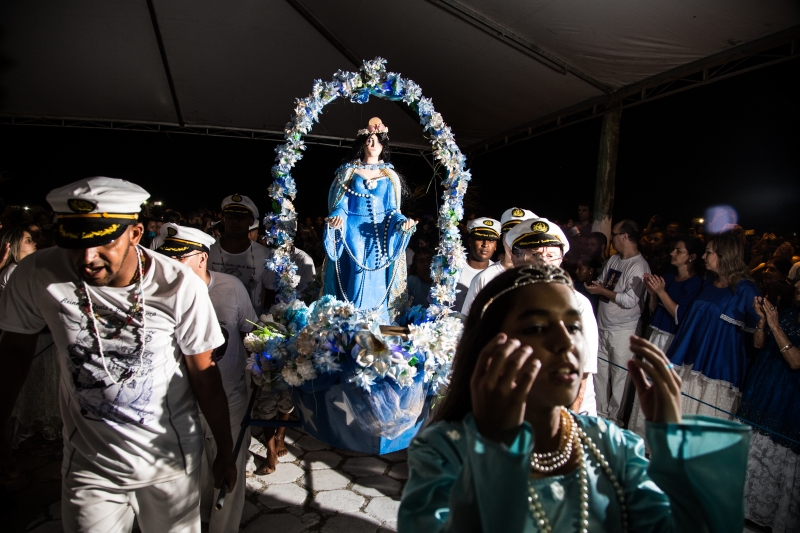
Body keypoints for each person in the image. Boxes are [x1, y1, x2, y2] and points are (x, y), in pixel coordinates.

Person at [398, 263, 751, 533]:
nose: (565, 343)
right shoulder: (444, 451)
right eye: (537, 328)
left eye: (574, 325)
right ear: (491, 346)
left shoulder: (612, 446)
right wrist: (498, 448)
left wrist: (674, 446)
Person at [0, 177, 235, 533]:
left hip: (169, 464)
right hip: (89, 465)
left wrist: (224, 448)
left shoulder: (176, 284)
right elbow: (14, 354)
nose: (87, 257)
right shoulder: (36, 275)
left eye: (101, 242)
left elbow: (204, 374)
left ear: (135, 233)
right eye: (73, 243)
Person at [156, 225, 258, 533]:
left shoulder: (232, 287)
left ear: (202, 258)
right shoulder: (160, 292)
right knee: (193, 474)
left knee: (230, 471)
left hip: (231, 397)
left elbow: (250, 332)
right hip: (180, 403)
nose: (170, 267)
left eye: (179, 259)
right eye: (166, 258)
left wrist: (260, 366)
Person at [323, 117, 416, 323]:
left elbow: (392, 209)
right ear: (362, 143)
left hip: (381, 234)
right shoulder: (348, 172)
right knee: (357, 272)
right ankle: (353, 321)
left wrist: (402, 223)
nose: (373, 144)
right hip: (353, 231)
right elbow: (340, 205)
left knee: (378, 273)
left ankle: (377, 321)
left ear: (384, 145)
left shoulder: (389, 175)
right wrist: (337, 218)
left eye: (378, 140)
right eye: (369, 140)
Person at [503, 218, 598, 416]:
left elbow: (583, 371)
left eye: (552, 255)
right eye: (535, 254)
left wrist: (567, 418)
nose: (544, 262)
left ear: (561, 260)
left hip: (567, 408)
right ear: (515, 256)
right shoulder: (505, 299)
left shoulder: (578, 303)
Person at [666, 233, 762, 421]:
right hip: (693, 360)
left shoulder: (745, 289)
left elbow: (758, 340)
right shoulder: (709, 281)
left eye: (708, 252)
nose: (703, 256)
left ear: (724, 255)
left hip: (719, 368)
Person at [628, 236, 704, 440]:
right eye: (673, 250)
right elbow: (654, 310)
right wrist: (653, 294)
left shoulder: (696, 283)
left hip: (671, 341)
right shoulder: (669, 276)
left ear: (692, 257)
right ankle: (640, 435)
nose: (672, 253)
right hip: (656, 334)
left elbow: (680, 316)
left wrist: (661, 293)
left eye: (679, 250)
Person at [737, 289, 800, 532]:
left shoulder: (781, 320)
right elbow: (759, 344)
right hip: (762, 389)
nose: (796, 287)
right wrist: (763, 322)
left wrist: (774, 324)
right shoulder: (788, 314)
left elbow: (795, 361)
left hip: (788, 400)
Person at [585, 219, 650, 424]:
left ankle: (615, 419)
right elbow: (605, 282)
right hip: (603, 325)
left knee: (620, 376)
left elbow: (630, 300)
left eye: (614, 234)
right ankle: (600, 413)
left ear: (624, 236)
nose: (611, 238)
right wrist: (598, 287)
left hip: (624, 331)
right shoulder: (614, 260)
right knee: (600, 372)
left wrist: (602, 291)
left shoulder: (639, 266)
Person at [461, 208, 536, 314]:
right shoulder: (485, 278)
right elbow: (467, 322)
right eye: (509, 236)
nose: (512, 242)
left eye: (520, 237)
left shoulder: (541, 278)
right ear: (502, 239)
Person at [208, 194, 273, 314]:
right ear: (223, 219)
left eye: (241, 217)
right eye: (230, 216)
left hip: (249, 326)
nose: (235, 221)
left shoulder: (264, 254)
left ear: (251, 221)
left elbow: (270, 292)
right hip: (212, 320)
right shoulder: (208, 249)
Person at [454, 218, 500, 311]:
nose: (485, 244)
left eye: (491, 240)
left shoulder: (499, 273)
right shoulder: (452, 269)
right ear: (470, 241)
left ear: (496, 246)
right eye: (480, 239)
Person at [0, 226, 37, 294]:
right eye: (28, 240)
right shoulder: (13, 271)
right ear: (15, 244)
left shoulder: (25, 268)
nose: (34, 243)